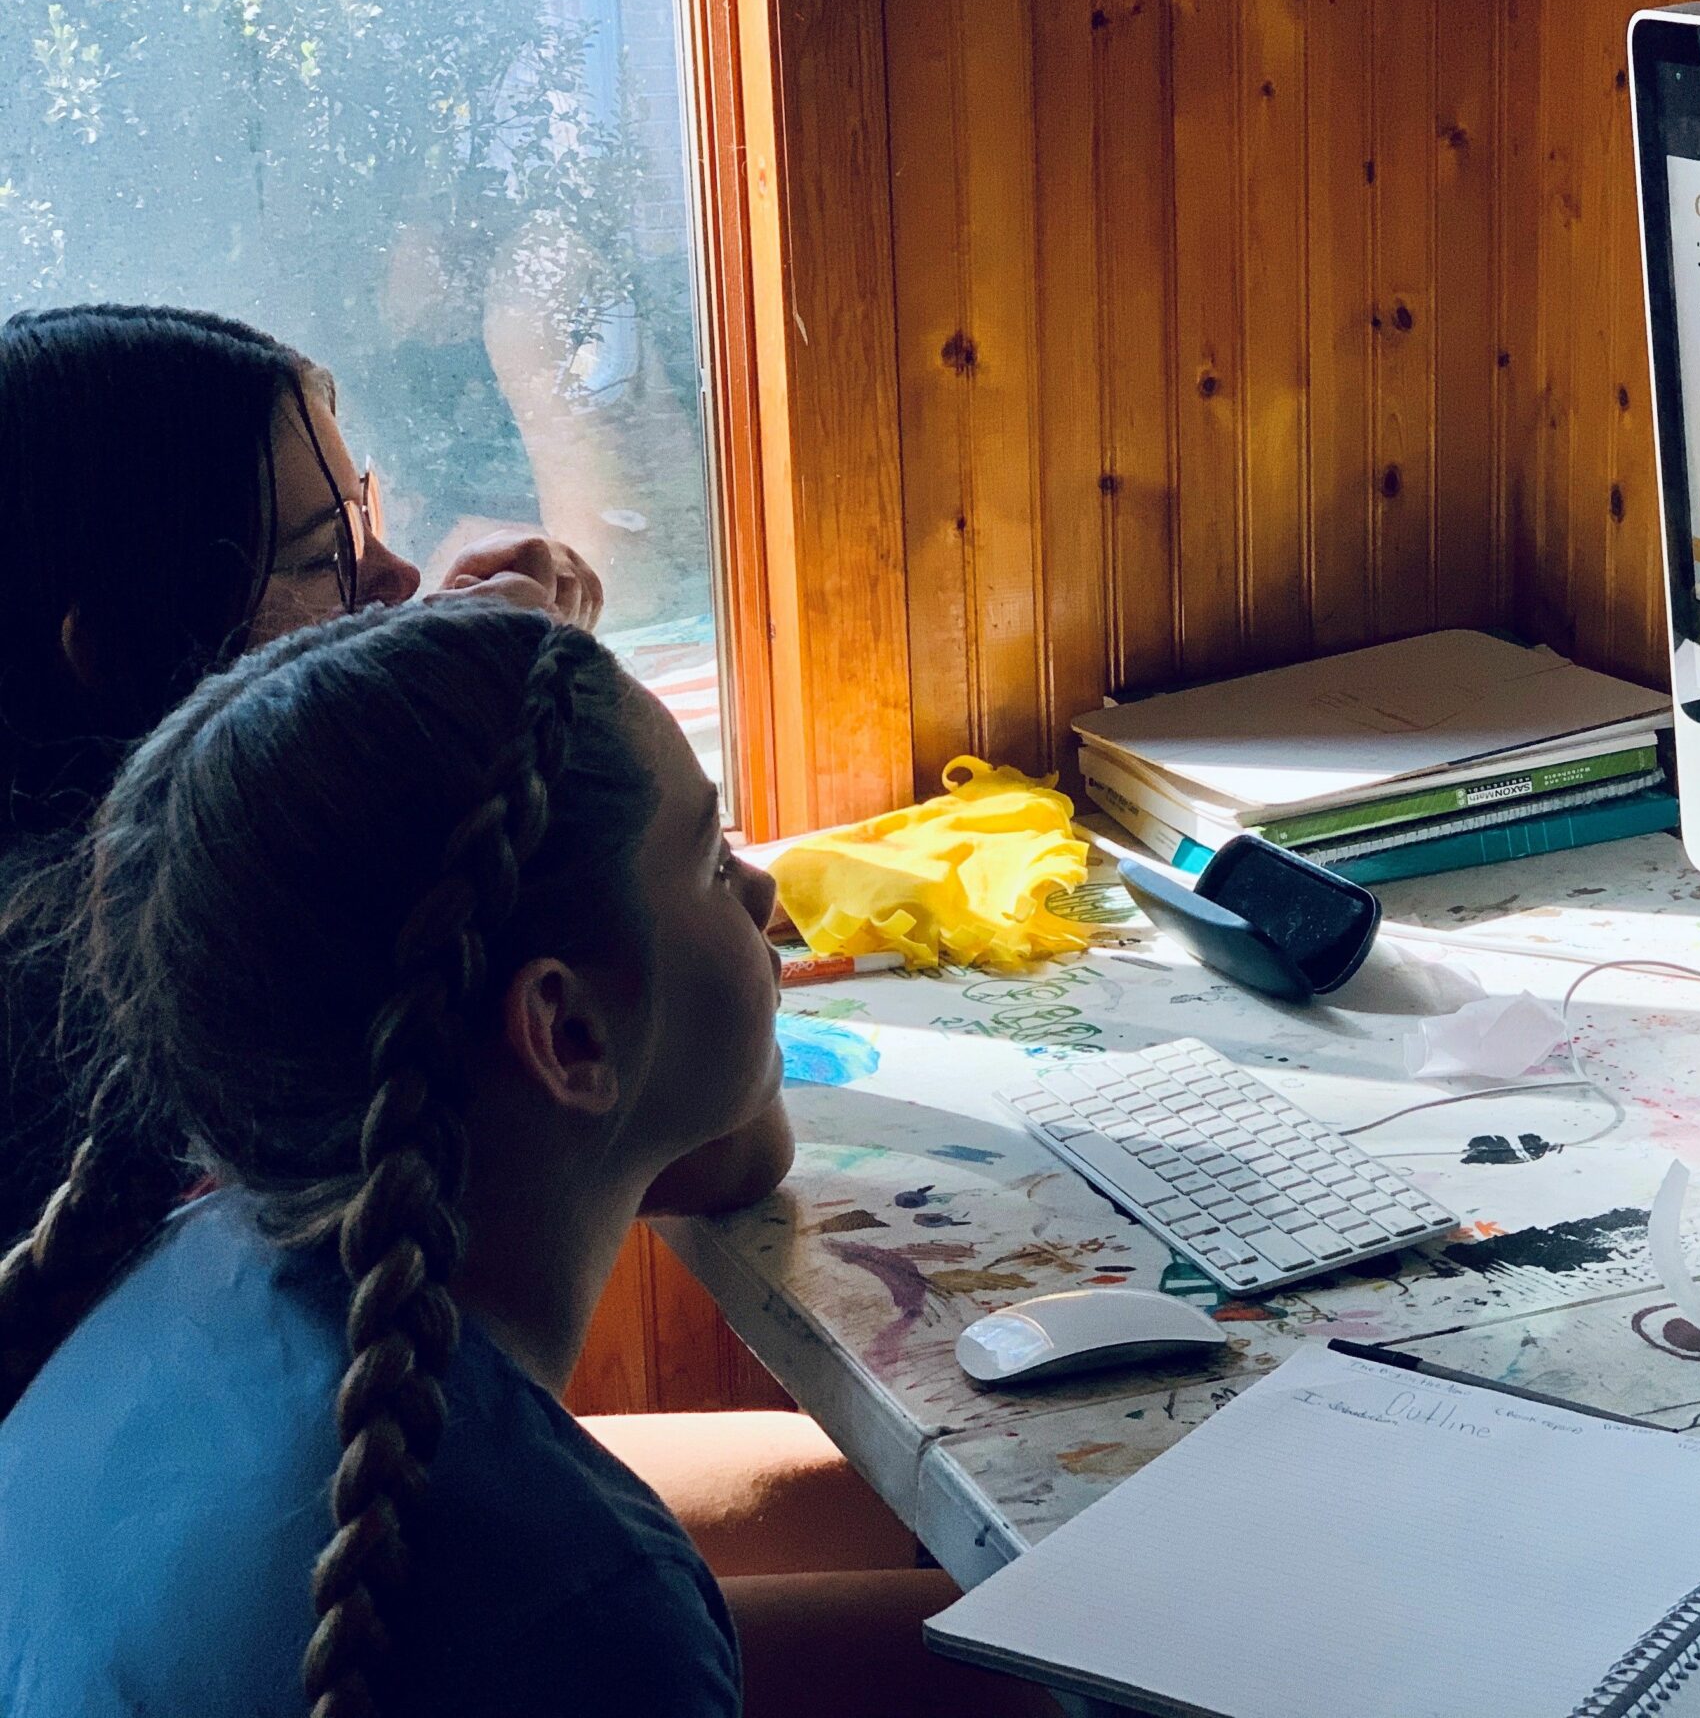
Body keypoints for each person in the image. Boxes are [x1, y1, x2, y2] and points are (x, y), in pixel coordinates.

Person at [0, 602, 1047, 1716]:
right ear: (564, 1032)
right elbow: (578, 1605)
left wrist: (700, 1043)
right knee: (1053, 1672)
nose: (764, 894)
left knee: (872, 1499)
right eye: (709, 860)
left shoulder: (199, 1239)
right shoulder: (578, 1609)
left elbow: (735, 1158)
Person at [0, 304, 603, 1246]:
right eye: (327, 556)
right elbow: (720, 1141)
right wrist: (485, 694)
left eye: (364, 524)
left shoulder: (80, 897)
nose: (400, 577)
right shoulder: (194, 972)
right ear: (119, 653)